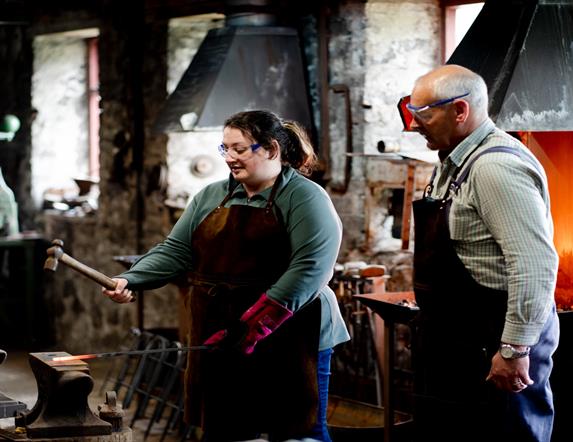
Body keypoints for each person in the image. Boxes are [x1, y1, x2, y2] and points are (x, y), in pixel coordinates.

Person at [102, 110, 350, 442]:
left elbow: (309, 269)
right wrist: (131, 279)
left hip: (292, 335)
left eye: (239, 148)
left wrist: (252, 325)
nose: (230, 157)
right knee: (225, 430)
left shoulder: (305, 198)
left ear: (272, 149)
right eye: (225, 149)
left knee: (296, 432)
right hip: (223, 334)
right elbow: (177, 249)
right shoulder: (211, 196)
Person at [397, 65, 559, 442]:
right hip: (460, 336)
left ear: (459, 111)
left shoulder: (495, 168)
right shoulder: (455, 162)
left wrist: (515, 348)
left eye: (424, 113)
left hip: (494, 338)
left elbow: (534, 263)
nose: (414, 123)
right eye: (411, 111)